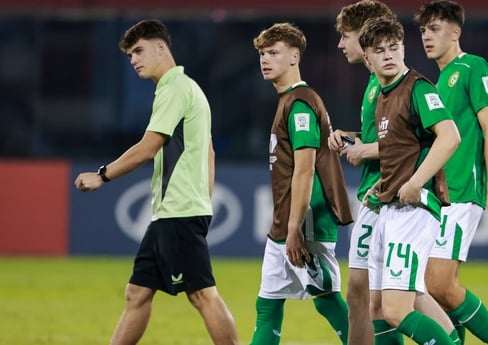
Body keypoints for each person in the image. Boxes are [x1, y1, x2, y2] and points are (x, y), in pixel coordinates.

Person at [74, 19, 239, 345]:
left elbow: (148, 147)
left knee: (202, 295)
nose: (134, 59)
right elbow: (210, 153)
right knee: (137, 293)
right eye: (130, 54)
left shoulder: (173, 89)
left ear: (161, 47)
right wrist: (202, 203)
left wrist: (102, 175)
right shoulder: (190, 89)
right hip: (176, 210)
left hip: (178, 210)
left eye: (139, 50)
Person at [330, 2, 459, 345]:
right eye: (379, 50)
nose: (388, 55)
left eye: (393, 48)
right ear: (370, 58)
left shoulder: (417, 87)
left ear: (403, 48)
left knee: (396, 309)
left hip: (412, 208)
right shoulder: (384, 93)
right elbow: (398, 147)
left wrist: (416, 182)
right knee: (381, 306)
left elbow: (450, 136)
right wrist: (383, 187)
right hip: (389, 202)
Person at [413, 1, 488, 344]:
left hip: (462, 191)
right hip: (438, 197)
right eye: (424, 30)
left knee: (438, 282)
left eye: (435, 29)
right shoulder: (435, 83)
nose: (427, 36)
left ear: (456, 32)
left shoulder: (473, 67)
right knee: (428, 288)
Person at [250, 22, 354, 345]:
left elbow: (305, 169)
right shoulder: (288, 100)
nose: (265, 59)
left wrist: (295, 228)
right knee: (266, 305)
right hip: (285, 223)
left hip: (304, 223)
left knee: (327, 301)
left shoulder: (300, 103)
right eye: (263, 54)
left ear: (295, 56)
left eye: (274, 53)